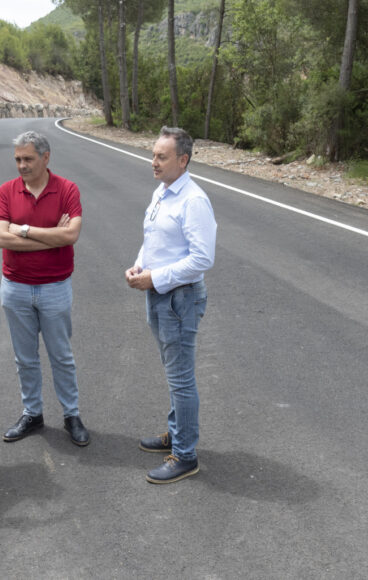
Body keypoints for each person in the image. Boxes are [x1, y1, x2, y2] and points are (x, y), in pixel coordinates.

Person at [125, 126, 217, 484]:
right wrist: (139, 266)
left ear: (183, 160)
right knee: (173, 372)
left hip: (180, 298)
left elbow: (202, 259)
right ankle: (177, 433)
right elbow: (154, 239)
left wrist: (156, 278)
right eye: (153, 155)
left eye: (161, 157)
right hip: (160, 292)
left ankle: (185, 455)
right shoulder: (162, 192)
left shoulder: (193, 201)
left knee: (181, 379)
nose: (154, 162)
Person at [0, 131, 90, 447]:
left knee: (61, 356)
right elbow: (0, 238)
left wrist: (22, 231)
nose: (22, 165)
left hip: (55, 287)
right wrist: (51, 238)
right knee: (25, 358)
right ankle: (32, 413)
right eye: (18, 159)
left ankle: (71, 415)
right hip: (15, 288)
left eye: (28, 159)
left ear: (46, 157)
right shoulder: (7, 191)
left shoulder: (67, 189)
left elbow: (71, 236)